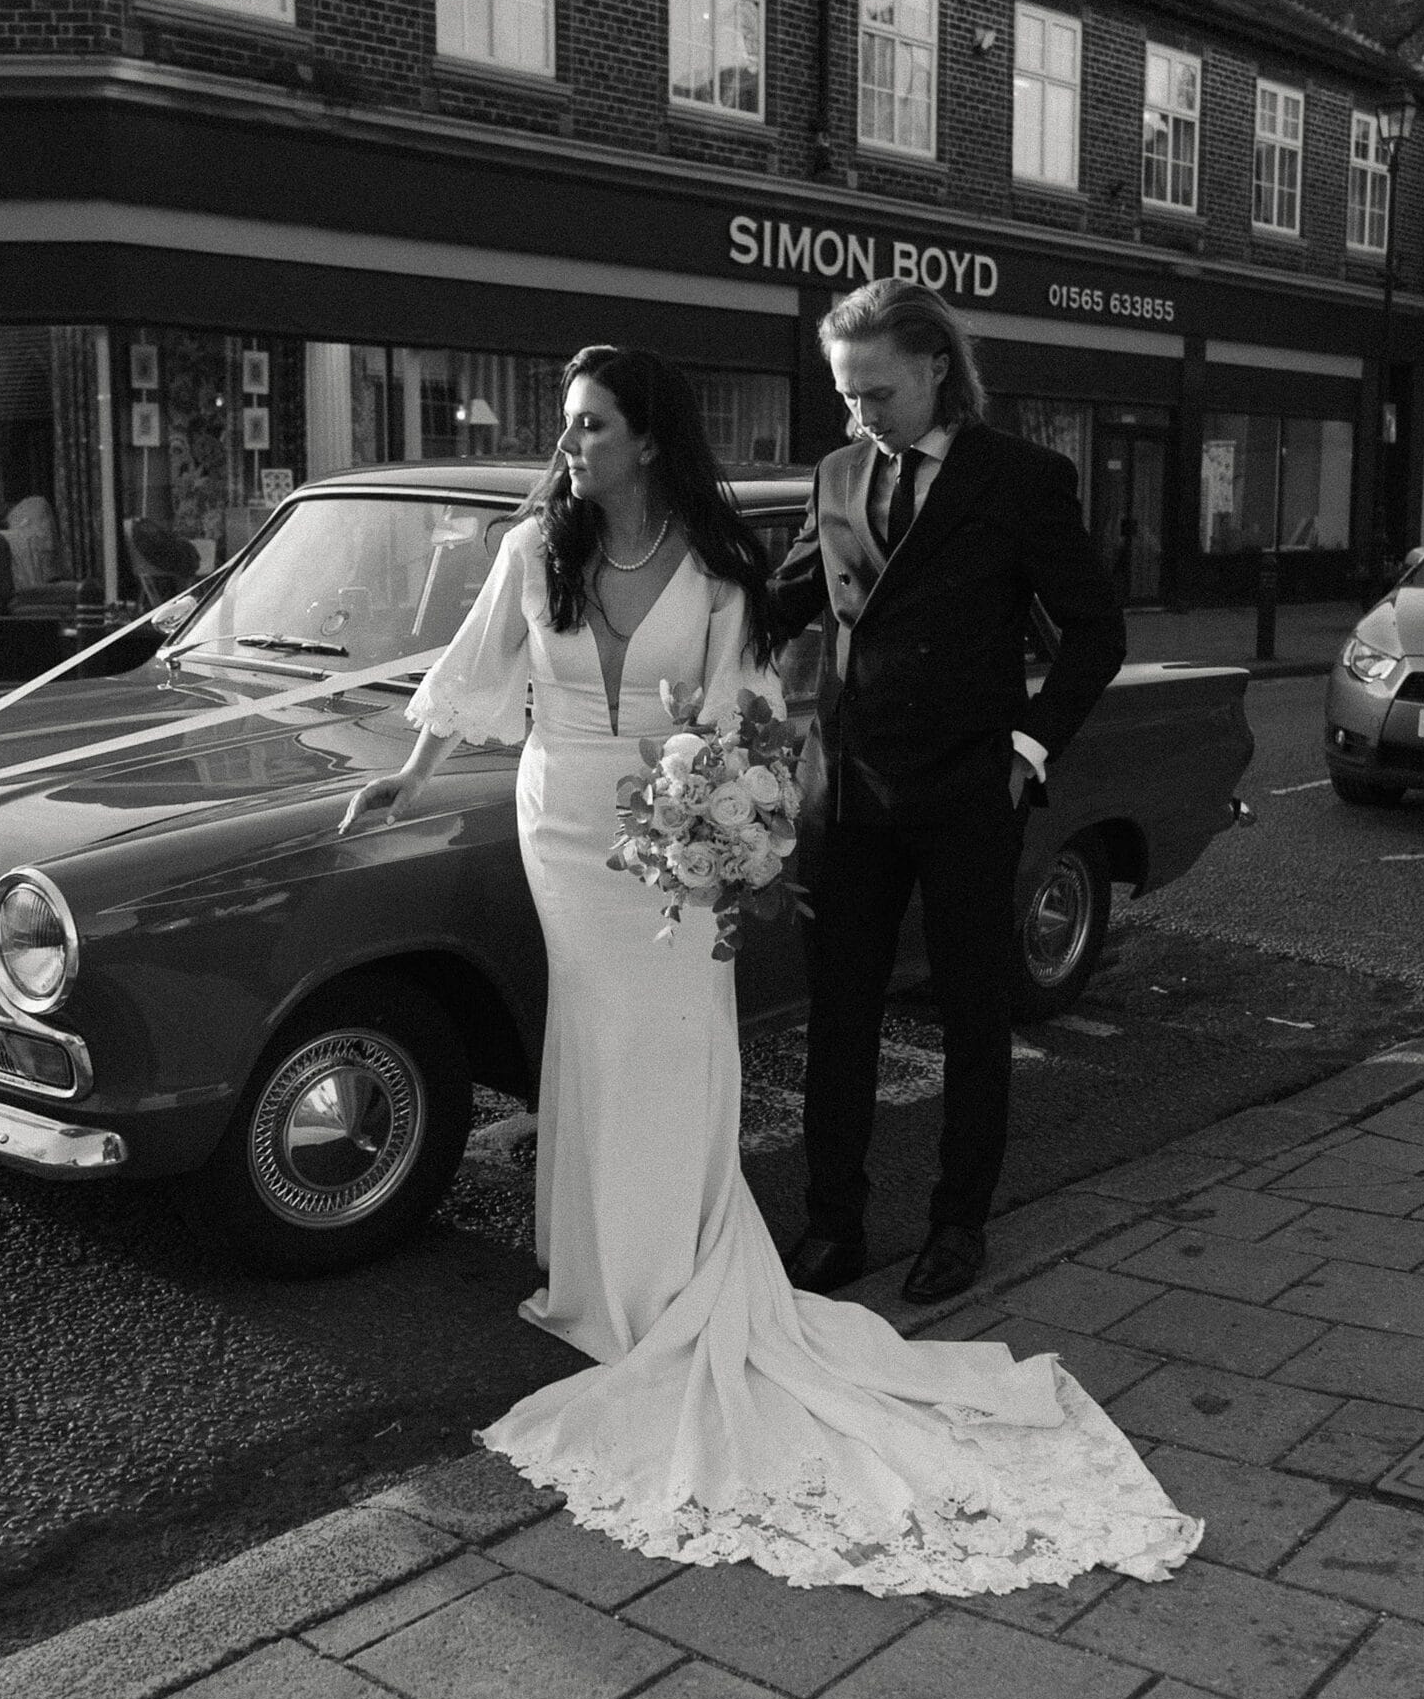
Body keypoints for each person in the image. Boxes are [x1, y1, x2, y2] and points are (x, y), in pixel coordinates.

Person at [341, 344, 1198, 1596]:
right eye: (567, 427)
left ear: (647, 436)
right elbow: (476, 670)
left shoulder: (720, 563)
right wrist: (406, 776)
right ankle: (593, 1274)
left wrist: (729, 806)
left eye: (589, 426)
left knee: (677, 1034)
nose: (566, 447)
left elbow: (744, 707)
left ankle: (690, 1269)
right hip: (564, 824)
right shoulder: (537, 552)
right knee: (589, 1030)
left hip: (680, 830)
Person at [771, 281, 1126, 1307]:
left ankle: (957, 1224)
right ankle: (832, 1223)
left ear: (935, 368)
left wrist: (1028, 742)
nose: (860, 417)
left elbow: (1095, 632)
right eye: (846, 395)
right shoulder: (836, 474)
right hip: (848, 791)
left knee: (972, 1016)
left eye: (877, 393)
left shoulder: (1020, 479)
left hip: (967, 786)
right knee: (839, 1019)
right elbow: (781, 600)